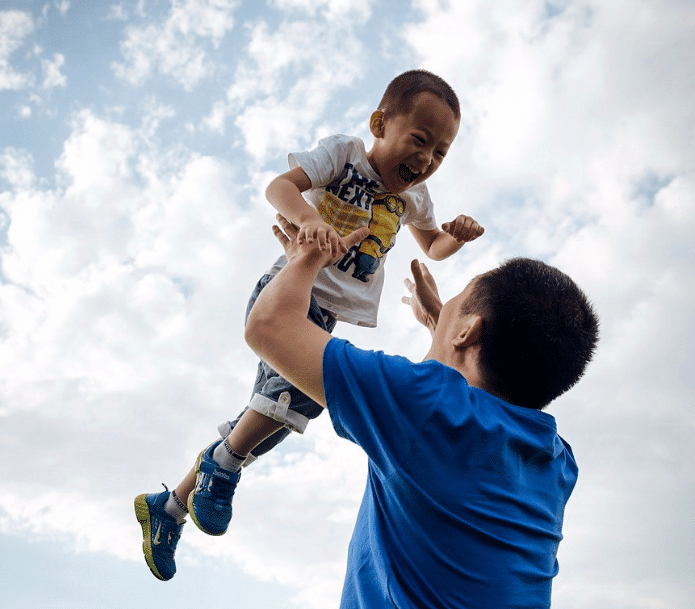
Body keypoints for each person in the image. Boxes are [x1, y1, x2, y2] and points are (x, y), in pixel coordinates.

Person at [136, 69, 485, 581]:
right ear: (380, 124)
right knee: (294, 403)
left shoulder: (415, 201)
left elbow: (432, 246)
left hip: (326, 316)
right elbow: (279, 187)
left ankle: (169, 508)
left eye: (440, 153)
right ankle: (221, 467)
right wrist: (308, 219)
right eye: (420, 140)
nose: (427, 160)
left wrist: (455, 236)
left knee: (276, 421)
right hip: (289, 292)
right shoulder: (344, 155)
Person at [243, 216, 599, 608]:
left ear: (468, 332)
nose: (446, 307)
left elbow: (269, 326)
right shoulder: (557, 462)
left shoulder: (424, 405)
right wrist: (443, 327)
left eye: (457, 300)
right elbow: (464, 413)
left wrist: (305, 259)